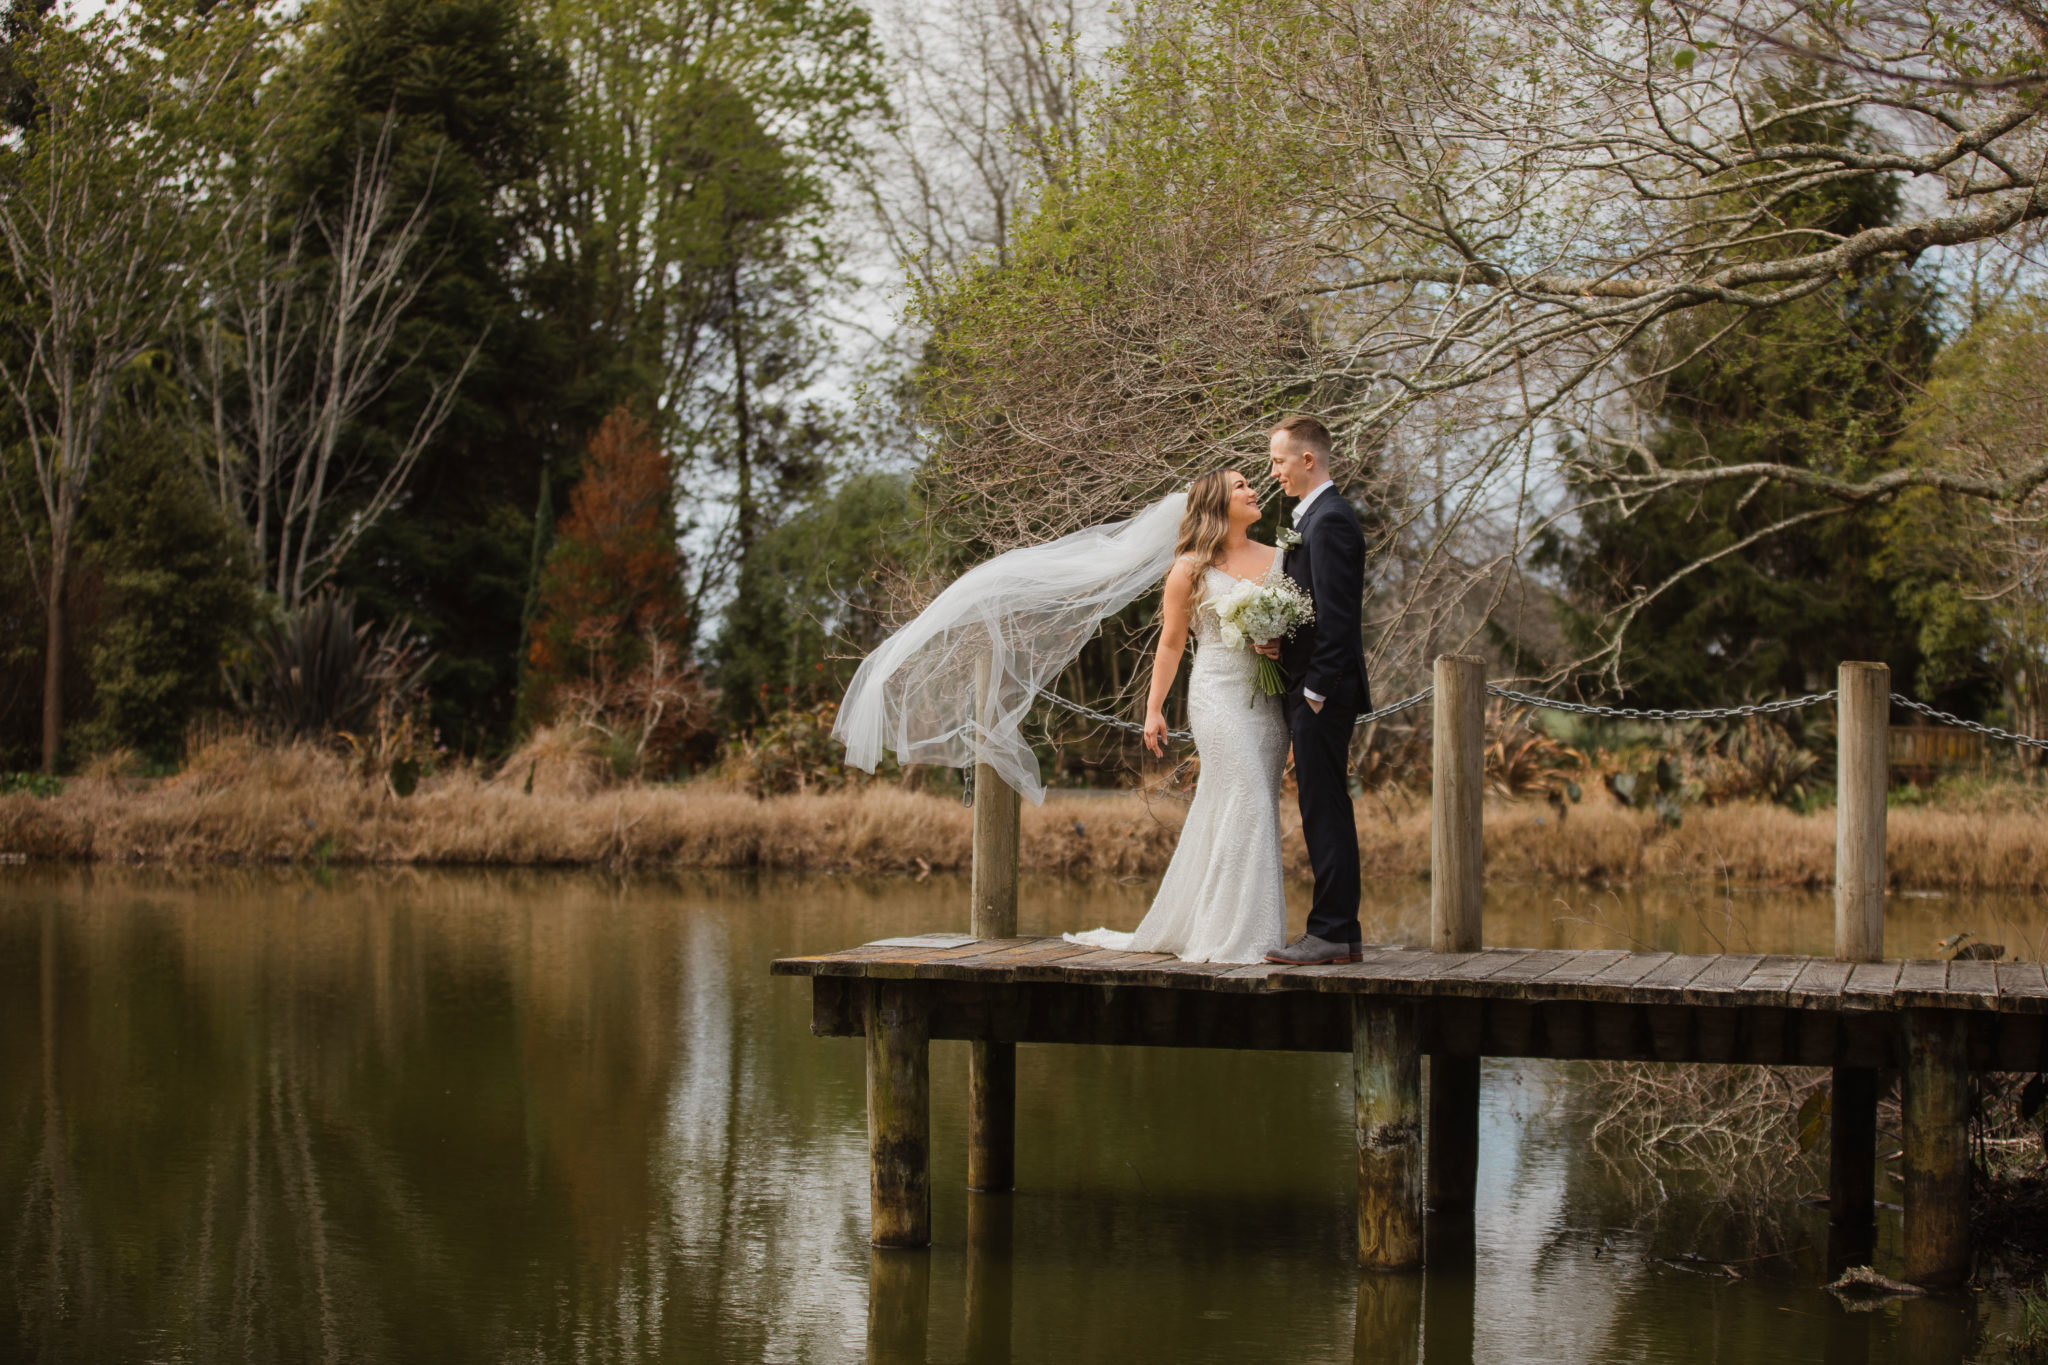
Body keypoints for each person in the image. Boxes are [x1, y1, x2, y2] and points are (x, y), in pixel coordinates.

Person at [1063, 468, 1289, 962]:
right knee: (1246, 797)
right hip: (1217, 696)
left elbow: (1297, 632)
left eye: (1252, 483)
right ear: (1215, 502)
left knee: (1251, 805)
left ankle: (1241, 928)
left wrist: (1278, 642)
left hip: (1267, 702)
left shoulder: (1280, 558)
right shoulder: (1189, 568)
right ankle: (1234, 938)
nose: (1254, 490)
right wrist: (1153, 707)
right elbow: (1169, 642)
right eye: (1241, 486)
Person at [1259, 415, 1370, 965]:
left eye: (1279, 460)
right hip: (1310, 682)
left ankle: (1329, 931)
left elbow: (1340, 617)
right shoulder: (1310, 518)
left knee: (1324, 810)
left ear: (1308, 460)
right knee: (1324, 808)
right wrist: (1281, 638)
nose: (1273, 470)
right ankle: (1340, 933)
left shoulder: (1330, 522)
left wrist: (1316, 691)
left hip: (1322, 692)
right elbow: (1308, 605)